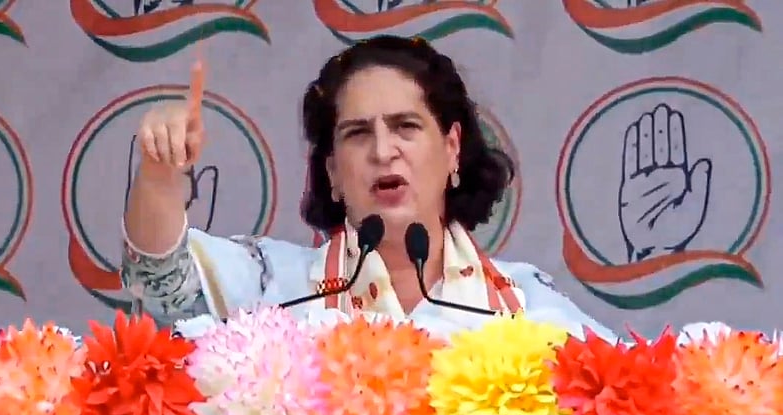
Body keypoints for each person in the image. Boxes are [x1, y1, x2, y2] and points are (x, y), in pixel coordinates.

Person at [121, 35, 615, 340]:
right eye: (358, 133)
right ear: (333, 173)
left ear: (452, 150)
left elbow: (632, 396)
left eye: (406, 127)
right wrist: (160, 171)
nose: (383, 151)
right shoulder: (276, 290)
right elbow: (162, 276)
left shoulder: (526, 306)